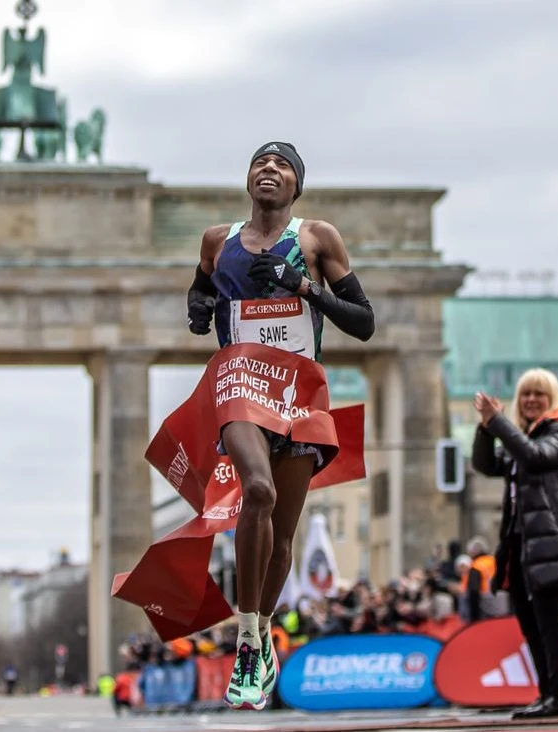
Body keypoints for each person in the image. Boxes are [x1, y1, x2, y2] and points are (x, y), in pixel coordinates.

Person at [187, 142, 375, 710]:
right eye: (260, 163)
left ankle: (263, 628)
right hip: (241, 380)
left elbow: (364, 323)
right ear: (247, 180)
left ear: (297, 185)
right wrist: (198, 308)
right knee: (259, 490)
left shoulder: (317, 238)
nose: (269, 169)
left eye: (283, 165)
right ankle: (247, 636)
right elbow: (201, 287)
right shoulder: (217, 240)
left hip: (298, 390)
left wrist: (303, 287)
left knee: (282, 537)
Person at [471, 368, 558, 720]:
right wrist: (485, 428)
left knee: (550, 621)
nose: (531, 400)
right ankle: (548, 694)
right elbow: (485, 464)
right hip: (523, 546)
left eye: (539, 394)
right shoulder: (524, 438)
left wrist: (498, 423)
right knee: (531, 623)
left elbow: (534, 456)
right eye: (526, 394)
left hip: (552, 542)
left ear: (552, 399)